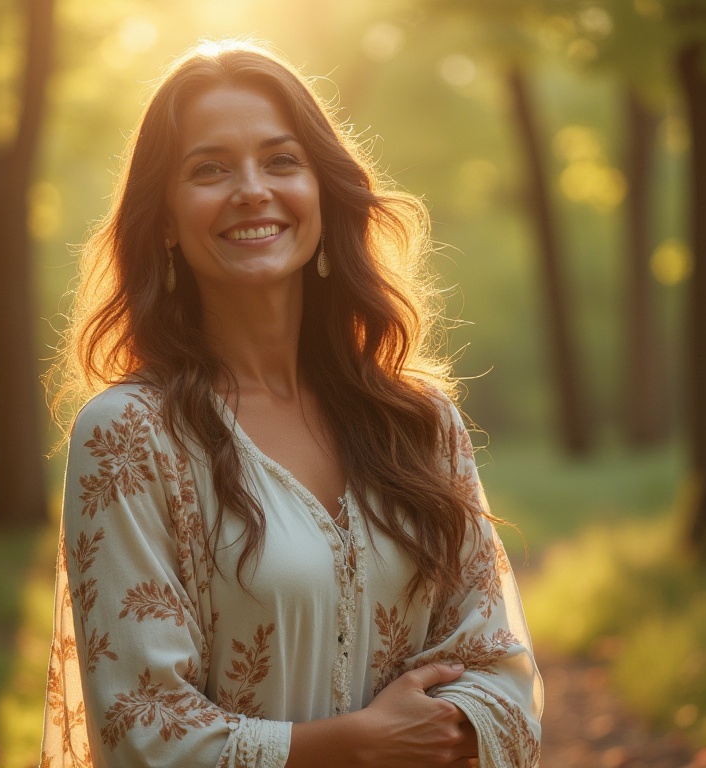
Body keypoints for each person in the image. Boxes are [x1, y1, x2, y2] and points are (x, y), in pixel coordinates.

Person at [40, 39, 542, 768]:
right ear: (167, 222)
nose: (252, 189)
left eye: (281, 161)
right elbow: (141, 729)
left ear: (322, 193)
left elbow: (501, 666)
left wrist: (450, 727)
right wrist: (351, 748)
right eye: (209, 169)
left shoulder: (420, 422)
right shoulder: (129, 437)